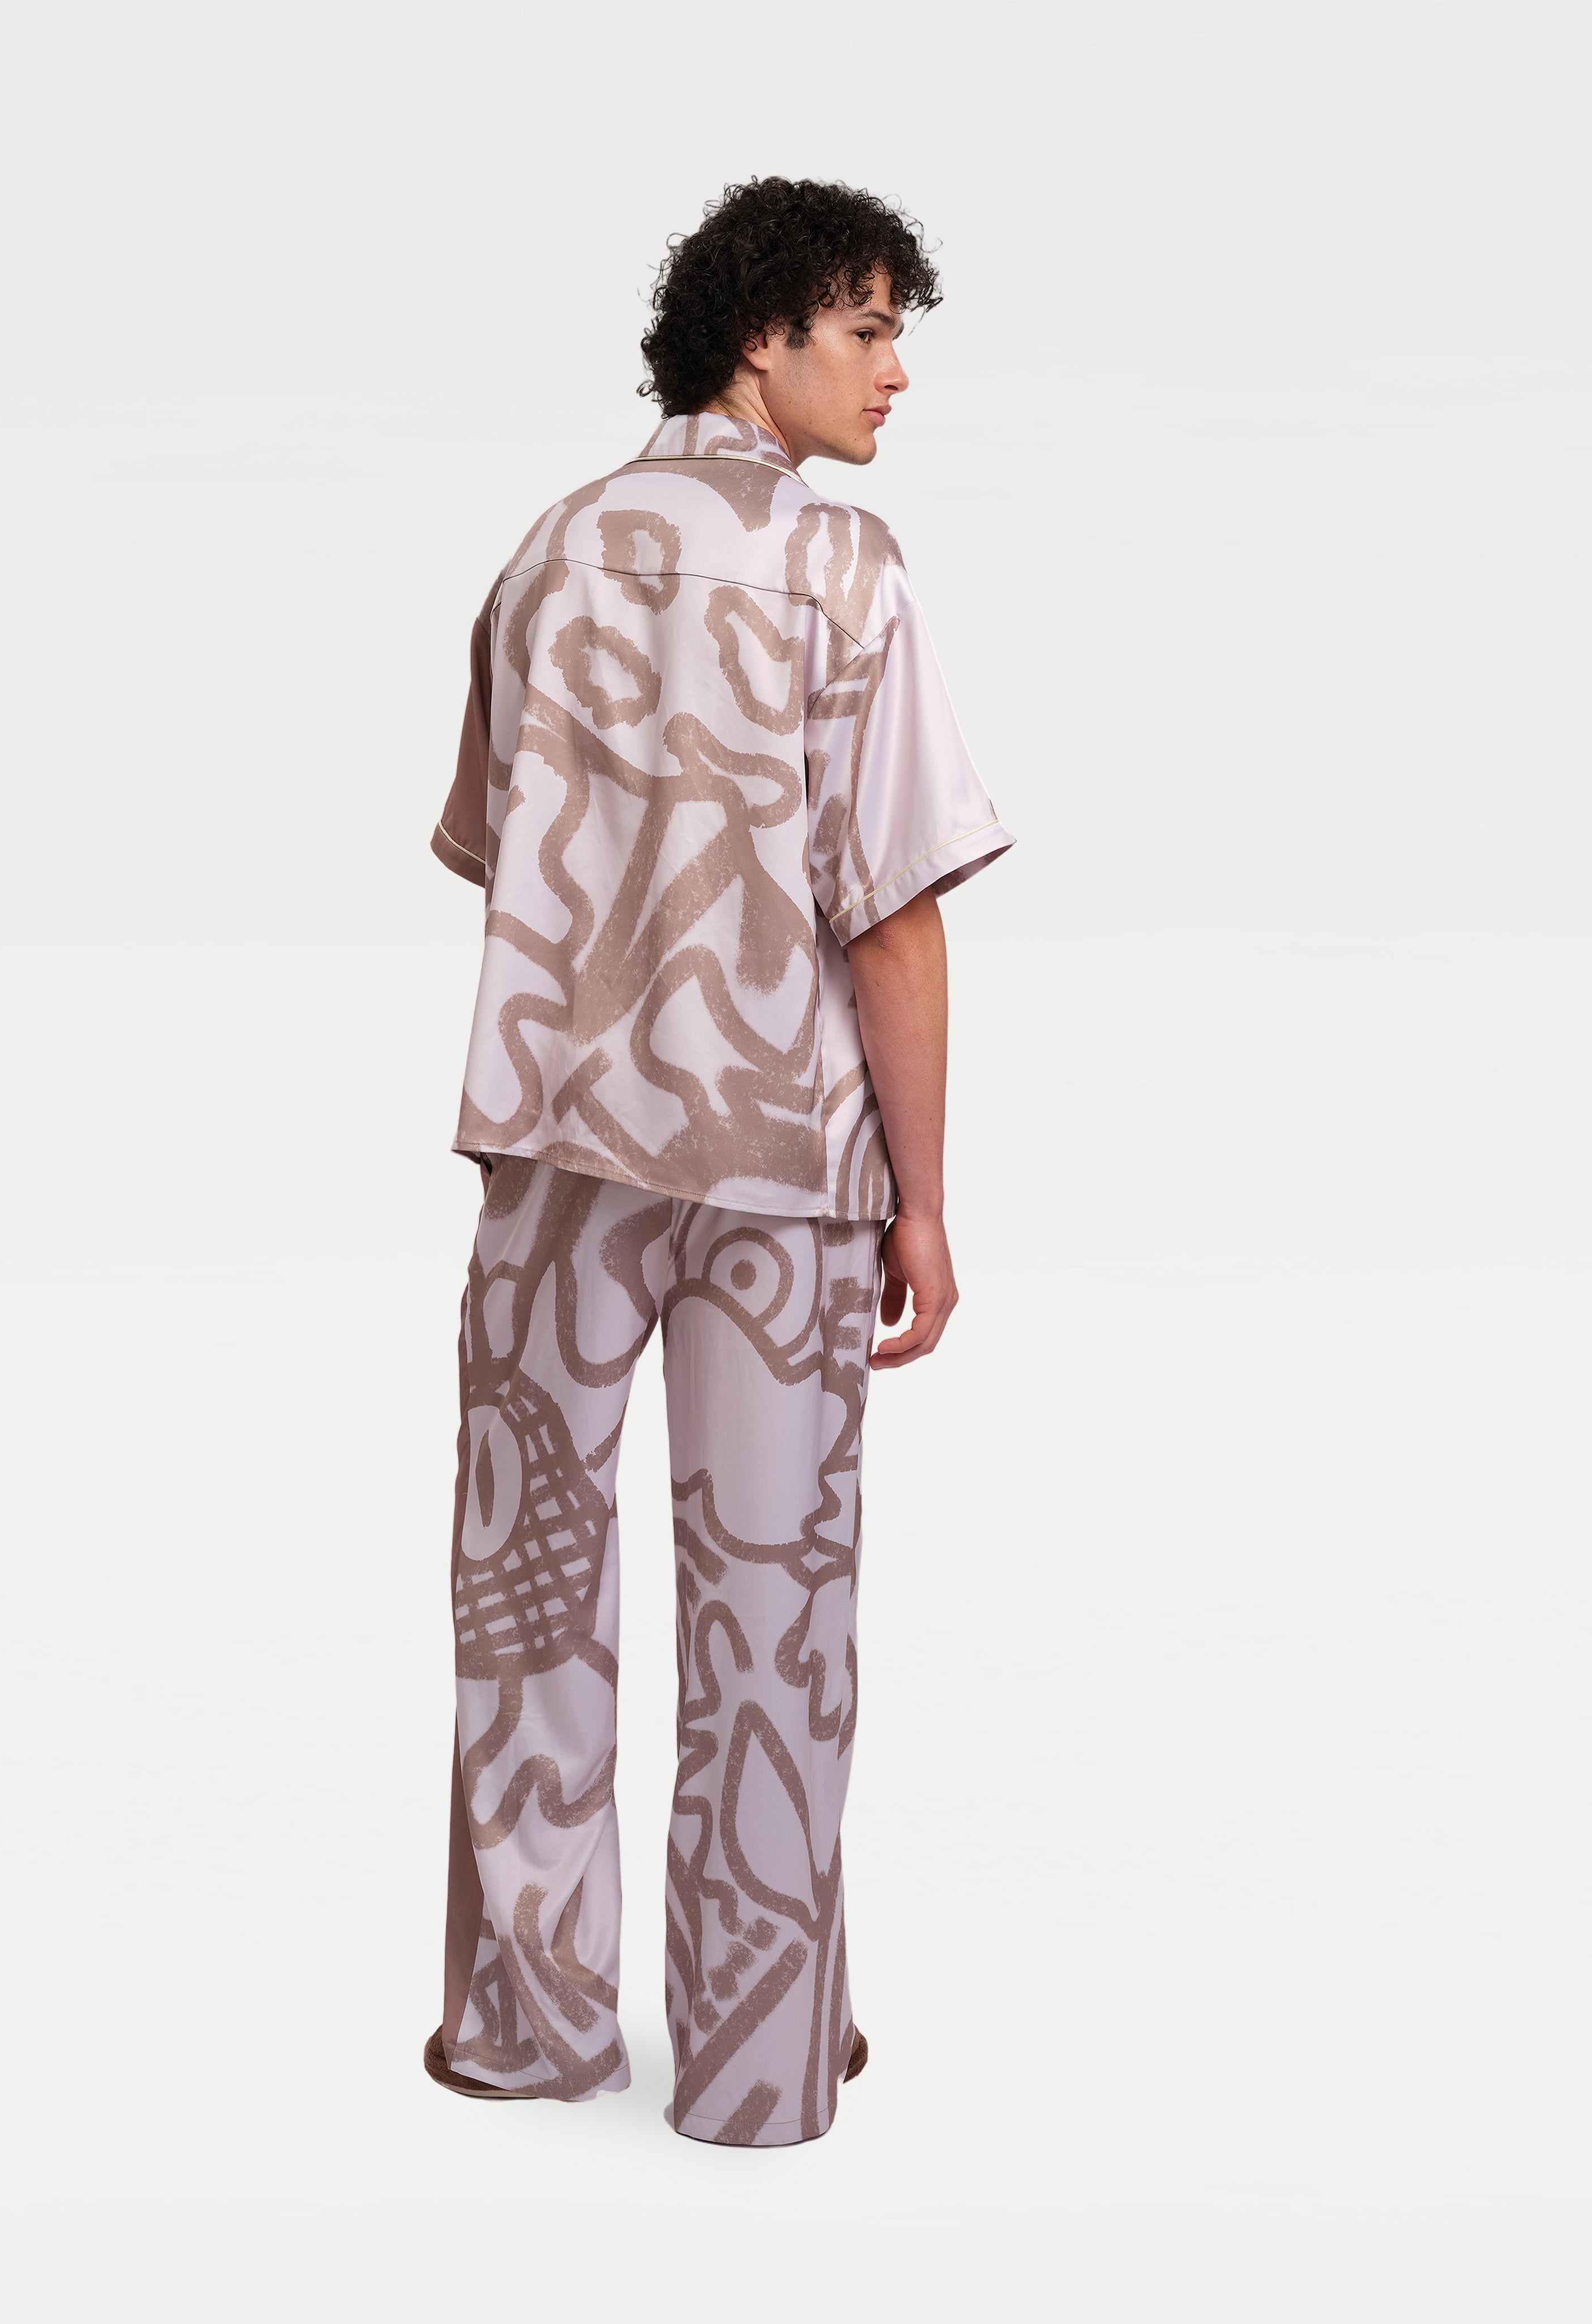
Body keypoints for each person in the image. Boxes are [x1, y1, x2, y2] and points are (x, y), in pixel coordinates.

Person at [423, 176, 1013, 2146]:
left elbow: (500, 850)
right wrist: (925, 1200)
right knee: (778, 1614)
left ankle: (526, 2031)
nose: (896, 371)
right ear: (763, 338)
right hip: (780, 1160)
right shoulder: (847, 569)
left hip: (555, 1154)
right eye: (869, 330)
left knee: (527, 1589)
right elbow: (892, 916)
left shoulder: (549, 551)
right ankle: (761, 2064)